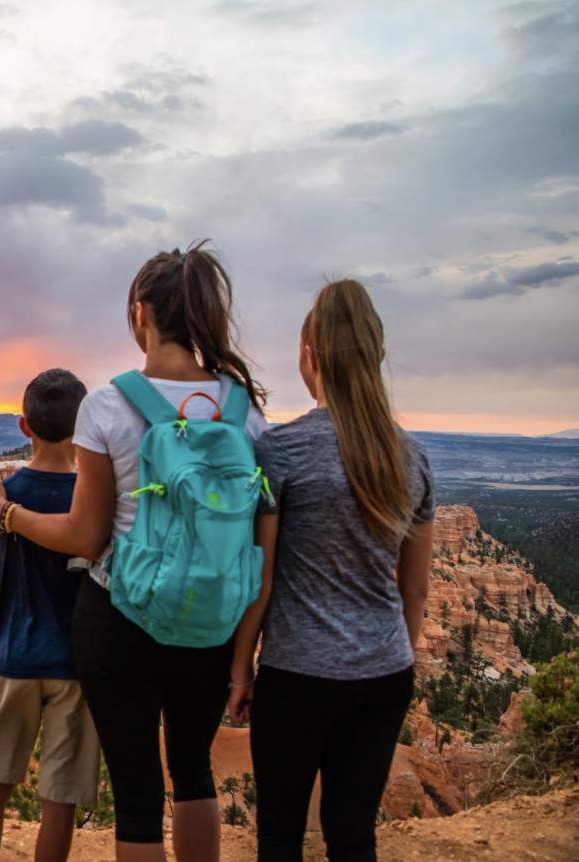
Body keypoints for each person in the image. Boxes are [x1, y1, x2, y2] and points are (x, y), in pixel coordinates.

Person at [0, 242, 268, 862]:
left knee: (136, 798)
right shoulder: (246, 413)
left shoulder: (108, 405)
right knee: (193, 774)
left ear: (140, 315)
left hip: (121, 618)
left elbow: (85, 536)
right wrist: (243, 660)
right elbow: (262, 544)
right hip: (211, 621)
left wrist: (7, 514)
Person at [226, 279, 434, 862]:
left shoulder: (282, 451)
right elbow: (413, 587)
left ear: (308, 354)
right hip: (384, 674)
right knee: (352, 836)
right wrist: (396, 659)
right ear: (378, 356)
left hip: (298, 675)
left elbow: (260, 578)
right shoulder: (412, 456)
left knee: (280, 837)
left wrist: (242, 671)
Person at [0, 368, 100, 862]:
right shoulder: (92, 498)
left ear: (24, 426)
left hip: (13, 659)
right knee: (59, 798)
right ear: (84, 426)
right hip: (74, 665)